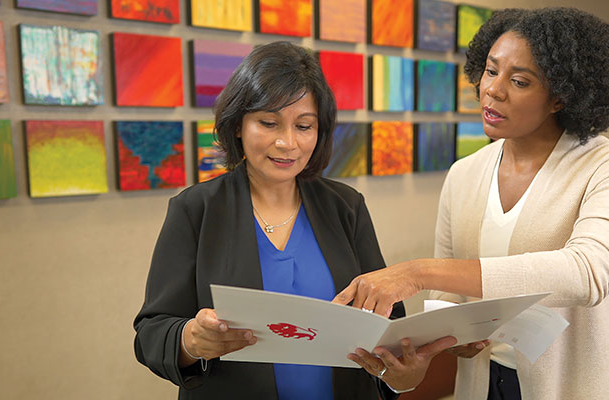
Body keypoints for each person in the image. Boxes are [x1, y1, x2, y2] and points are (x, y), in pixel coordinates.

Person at [334, 7, 609, 400]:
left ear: (560, 98)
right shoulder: (464, 174)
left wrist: (418, 272)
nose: (493, 90)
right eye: (491, 70)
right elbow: (449, 297)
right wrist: (441, 342)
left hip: (569, 386)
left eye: (519, 81)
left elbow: (588, 273)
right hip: (482, 384)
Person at [133, 42, 454, 399]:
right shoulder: (195, 210)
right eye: (269, 123)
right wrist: (191, 339)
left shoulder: (346, 207)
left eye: (304, 126)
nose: (288, 143)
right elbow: (152, 332)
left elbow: (388, 327)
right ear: (238, 125)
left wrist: (402, 374)